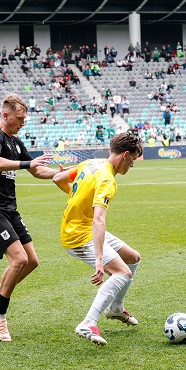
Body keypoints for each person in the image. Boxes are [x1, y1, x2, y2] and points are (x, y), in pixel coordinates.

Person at [0, 94, 59, 342]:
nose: (23, 123)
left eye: (24, 118)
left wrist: (66, 174)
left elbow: (36, 169)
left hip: (9, 209)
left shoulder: (16, 141)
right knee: (19, 258)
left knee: (32, 261)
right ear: (5, 115)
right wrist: (25, 163)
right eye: (19, 118)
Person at [54, 130, 144, 346]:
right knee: (121, 272)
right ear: (124, 155)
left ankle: (115, 308)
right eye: (132, 159)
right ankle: (88, 322)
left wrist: (77, 199)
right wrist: (99, 260)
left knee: (133, 258)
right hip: (79, 235)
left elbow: (58, 178)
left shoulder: (92, 163)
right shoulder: (107, 181)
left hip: (79, 226)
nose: (132, 165)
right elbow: (99, 220)